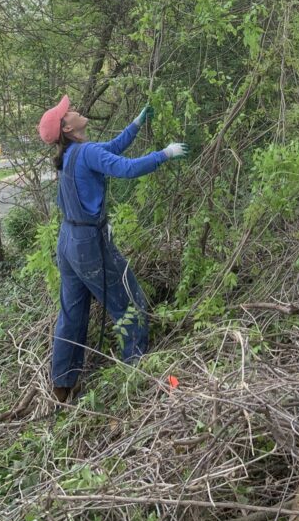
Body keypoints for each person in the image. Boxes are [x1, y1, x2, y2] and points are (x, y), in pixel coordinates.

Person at [37, 94, 189, 403]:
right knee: (129, 301)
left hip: (68, 242)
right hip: (88, 244)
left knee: (72, 312)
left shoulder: (73, 154)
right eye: (71, 112)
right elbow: (127, 168)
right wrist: (164, 154)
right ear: (67, 127)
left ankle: (63, 384)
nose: (76, 110)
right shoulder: (85, 151)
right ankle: (136, 371)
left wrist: (136, 123)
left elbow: (113, 149)